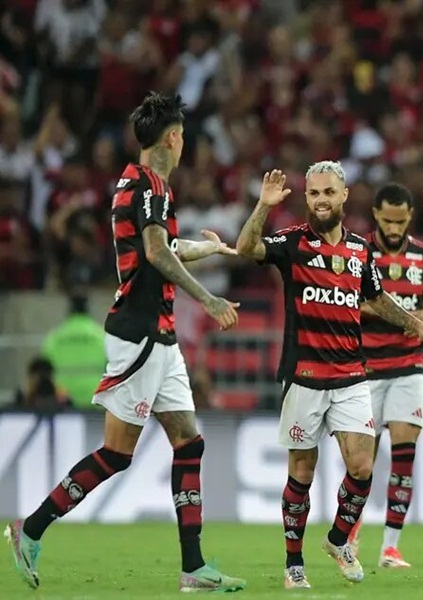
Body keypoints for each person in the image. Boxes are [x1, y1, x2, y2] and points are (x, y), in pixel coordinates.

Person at [4, 92, 245, 593]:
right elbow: (156, 252)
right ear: (173, 138)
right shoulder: (152, 186)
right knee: (117, 453)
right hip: (141, 333)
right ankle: (30, 528)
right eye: (183, 138)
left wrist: (209, 248)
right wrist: (208, 299)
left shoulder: (135, 183)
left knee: (189, 441)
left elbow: (165, 246)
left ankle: (194, 567)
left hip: (160, 335)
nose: (184, 145)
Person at [235, 163, 423, 590]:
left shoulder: (359, 250)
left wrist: (419, 327)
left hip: (351, 375)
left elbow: (378, 299)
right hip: (304, 375)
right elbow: (245, 249)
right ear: (306, 197)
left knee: (363, 467)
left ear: (344, 195)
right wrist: (263, 206)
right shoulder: (292, 243)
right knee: (302, 472)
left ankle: (337, 539)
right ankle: (294, 564)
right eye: (314, 194)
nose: (321, 201)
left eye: (328, 192)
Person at [346, 183, 423, 568]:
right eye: (387, 220)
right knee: (360, 464)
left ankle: (390, 547)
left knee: (404, 457)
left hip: (408, 367)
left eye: (400, 221)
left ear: (409, 217)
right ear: (375, 214)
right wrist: (397, 315)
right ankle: (349, 536)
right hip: (365, 368)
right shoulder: (358, 253)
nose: (393, 228)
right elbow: (348, 304)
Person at [41, 295, 107, 409]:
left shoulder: (55, 337)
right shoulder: (101, 336)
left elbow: (44, 367)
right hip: (96, 396)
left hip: (64, 398)